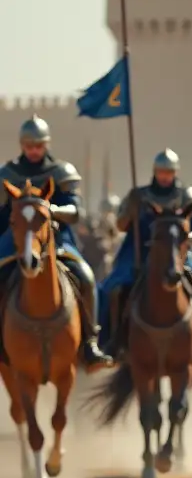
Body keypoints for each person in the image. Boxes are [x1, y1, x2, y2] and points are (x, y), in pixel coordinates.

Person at [98, 149, 192, 364]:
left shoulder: (186, 196)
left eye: (169, 172)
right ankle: (114, 342)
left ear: (175, 173)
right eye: (161, 172)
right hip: (139, 252)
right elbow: (121, 226)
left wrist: (188, 236)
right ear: (155, 172)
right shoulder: (139, 195)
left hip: (176, 252)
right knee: (115, 289)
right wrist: (130, 210)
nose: (165, 176)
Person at [0, 115, 110, 371]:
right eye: (30, 145)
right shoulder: (7, 174)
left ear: (46, 144)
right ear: (22, 145)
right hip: (14, 238)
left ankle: (90, 342)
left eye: (38, 145)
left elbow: (75, 211)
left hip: (56, 239)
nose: (34, 150)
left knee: (86, 277)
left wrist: (50, 210)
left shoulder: (61, 172)